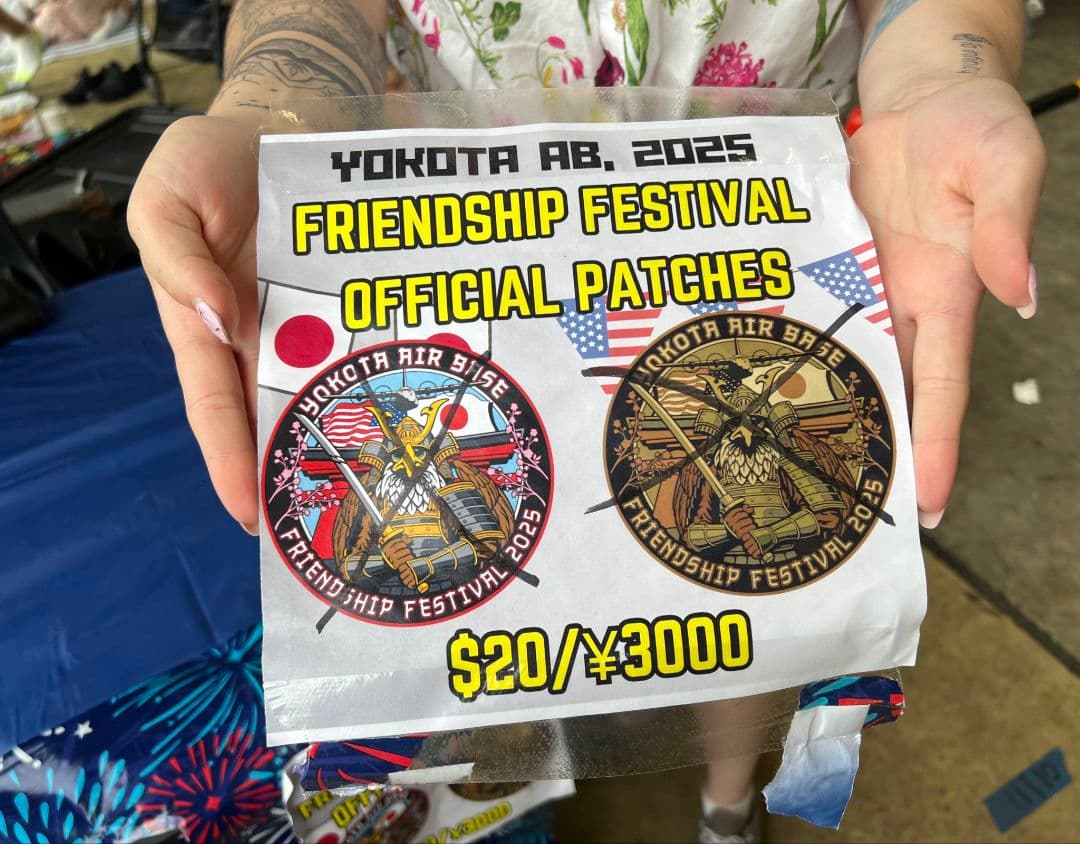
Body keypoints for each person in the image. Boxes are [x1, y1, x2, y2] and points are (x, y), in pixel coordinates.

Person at [127, 1, 1046, 841]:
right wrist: (270, 105)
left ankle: (728, 802)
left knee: (748, 594)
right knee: (508, 592)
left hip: (762, 243)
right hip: (464, 247)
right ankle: (556, 771)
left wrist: (941, 72)